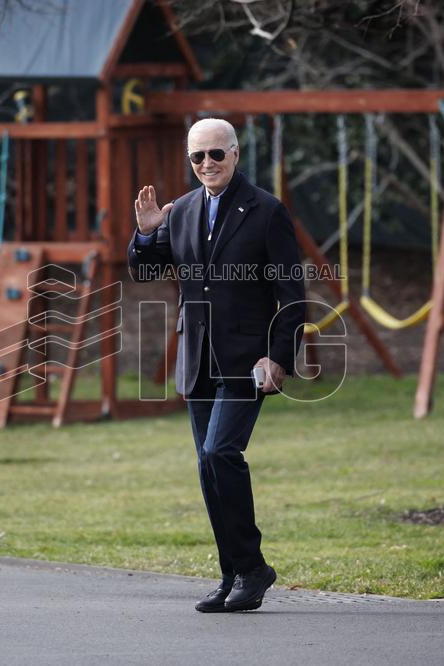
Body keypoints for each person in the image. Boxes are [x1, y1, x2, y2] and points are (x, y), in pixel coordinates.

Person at [127, 118, 306, 612]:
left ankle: (253, 568)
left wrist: (280, 356)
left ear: (235, 154)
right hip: (197, 357)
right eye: (197, 157)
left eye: (215, 155)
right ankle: (234, 574)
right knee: (207, 465)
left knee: (221, 453)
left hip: (249, 359)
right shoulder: (180, 211)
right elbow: (144, 271)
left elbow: (292, 294)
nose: (206, 164)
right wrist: (145, 235)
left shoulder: (267, 211)